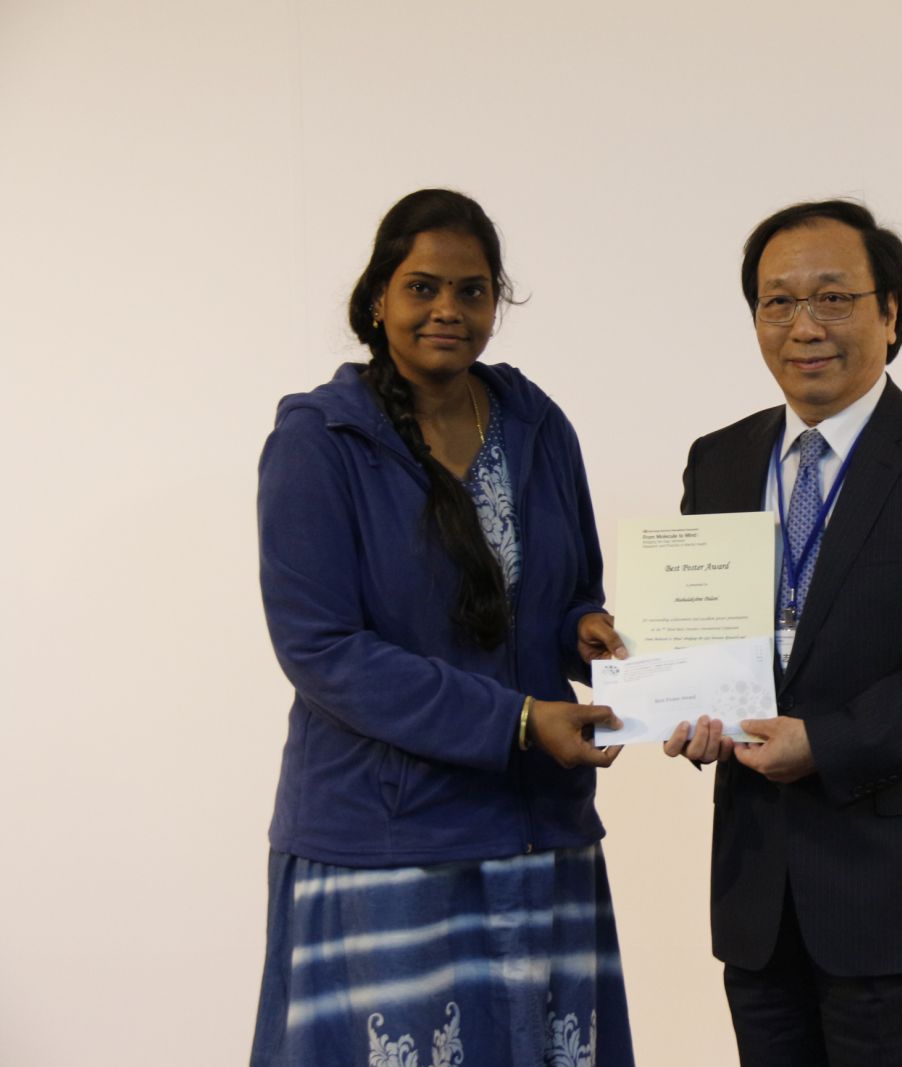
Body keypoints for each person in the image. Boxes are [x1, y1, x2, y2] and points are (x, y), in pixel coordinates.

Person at [250, 189, 634, 1065]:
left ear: (497, 302)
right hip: (387, 843)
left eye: (471, 290)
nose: (447, 310)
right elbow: (322, 650)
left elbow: (569, 586)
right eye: (422, 287)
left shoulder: (536, 425)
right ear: (377, 298)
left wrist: (584, 627)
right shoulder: (319, 440)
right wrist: (519, 721)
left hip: (536, 832)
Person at [664, 200, 902, 1066]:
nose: (804, 326)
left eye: (833, 298)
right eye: (778, 301)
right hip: (762, 900)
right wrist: (671, 693)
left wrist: (827, 742)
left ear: (890, 313)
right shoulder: (719, 459)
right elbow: (706, 636)